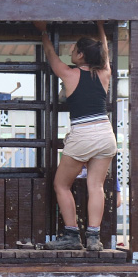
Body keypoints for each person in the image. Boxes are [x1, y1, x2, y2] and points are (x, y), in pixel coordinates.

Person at [35, 21, 117, 251]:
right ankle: (93, 237)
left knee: (61, 185)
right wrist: (101, 25)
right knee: (96, 186)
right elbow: (106, 51)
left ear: (81, 55)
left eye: (73, 50)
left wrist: (43, 32)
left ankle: (71, 235)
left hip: (82, 135)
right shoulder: (104, 73)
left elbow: (51, 56)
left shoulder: (69, 74)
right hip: (105, 134)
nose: (70, 52)